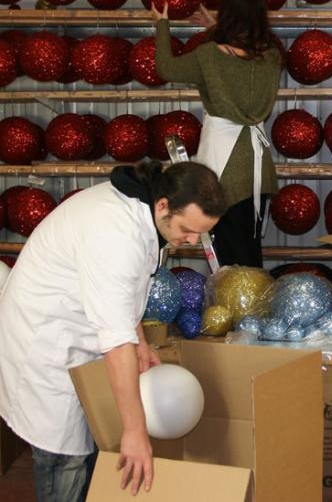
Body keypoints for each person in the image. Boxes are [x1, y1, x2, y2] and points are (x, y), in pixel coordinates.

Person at [0, 160, 227, 502]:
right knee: (65, 456)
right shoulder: (115, 234)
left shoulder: (146, 213)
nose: (192, 240)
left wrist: (140, 340)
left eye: (201, 232)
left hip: (78, 323)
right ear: (163, 204)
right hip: (45, 337)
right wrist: (135, 432)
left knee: (88, 438)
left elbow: (127, 289)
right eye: (187, 229)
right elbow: (115, 338)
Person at [151, 0, 283, 268]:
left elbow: (166, 67)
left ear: (227, 16)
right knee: (250, 249)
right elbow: (241, 58)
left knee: (230, 258)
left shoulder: (208, 56)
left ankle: (237, 309)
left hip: (223, 166)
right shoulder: (272, 57)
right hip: (257, 166)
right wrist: (215, 27)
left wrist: (162, 25)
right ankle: (254, 307)